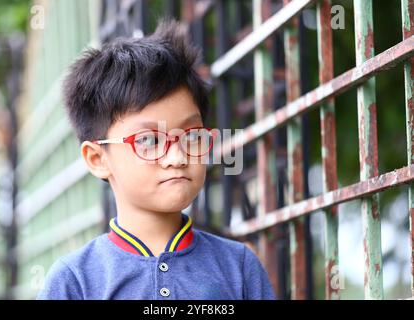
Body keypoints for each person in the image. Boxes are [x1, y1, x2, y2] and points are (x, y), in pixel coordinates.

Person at [36, 19, 275, 300]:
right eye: (149, 141)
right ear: (98, 158)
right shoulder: (74, 280)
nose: (177, 156)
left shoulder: (238, 267)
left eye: (191, 136)